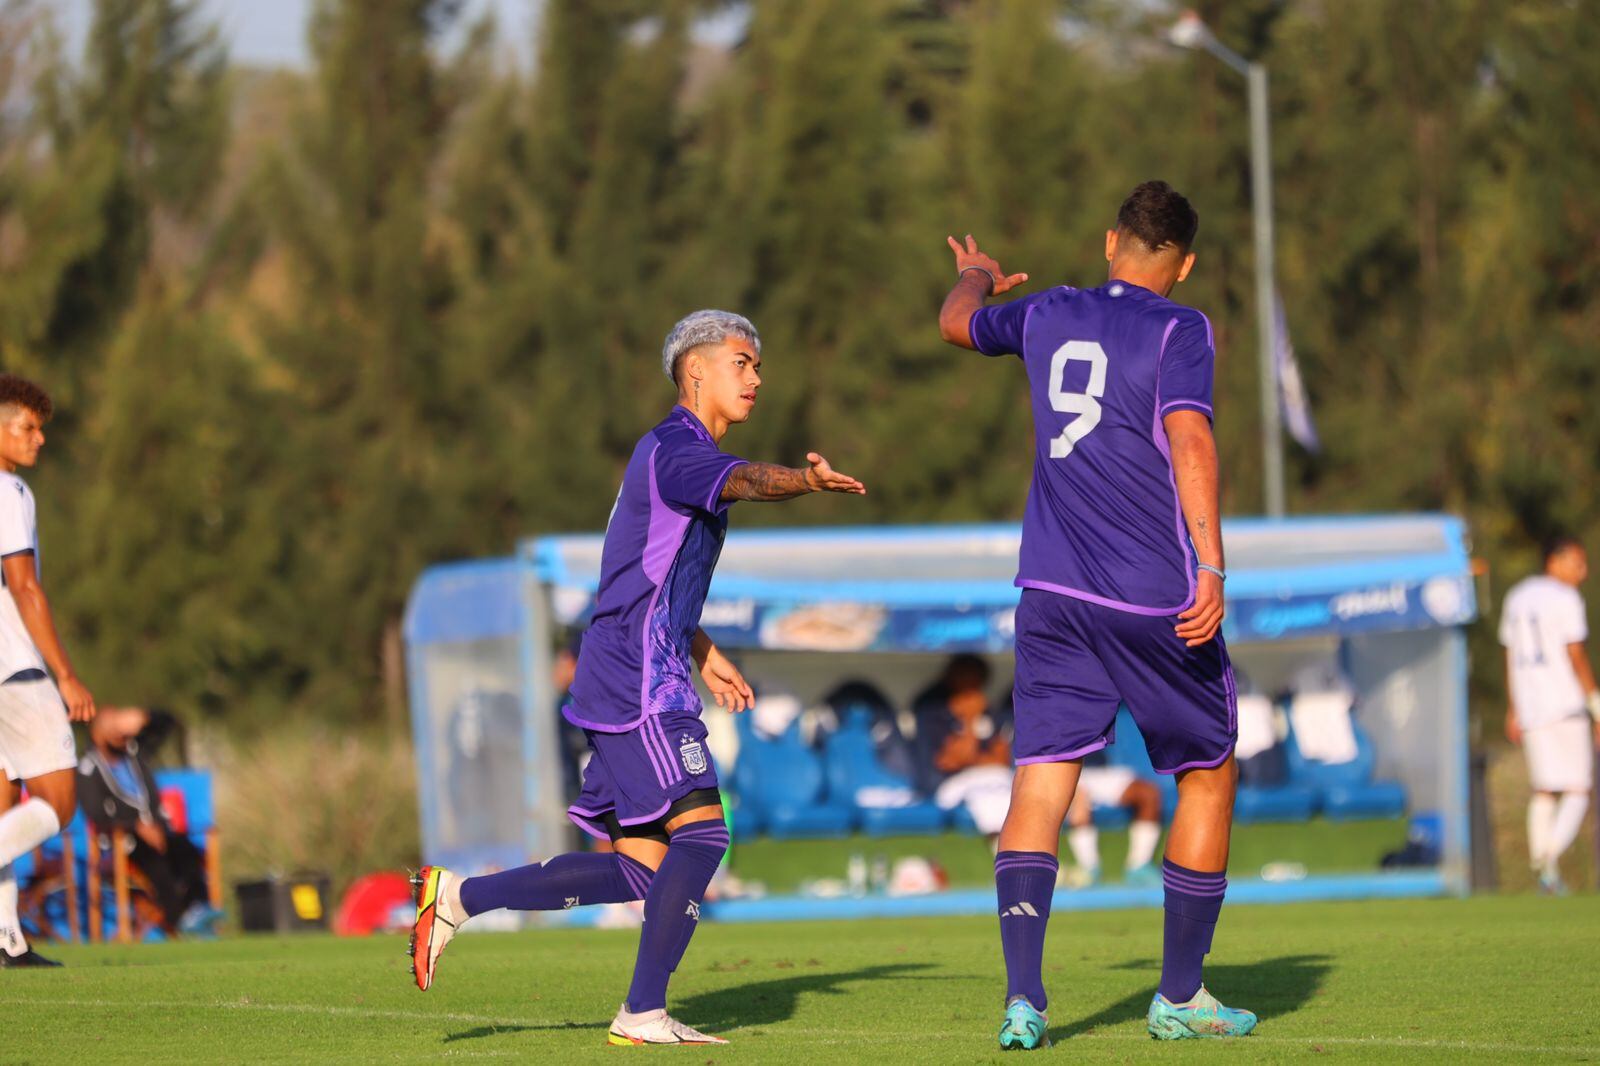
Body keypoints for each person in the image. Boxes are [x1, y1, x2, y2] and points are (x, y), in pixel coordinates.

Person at [408, 310, 865, 1046]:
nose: (757, 377)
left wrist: (702, 646)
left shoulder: (674, 455)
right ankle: (642, 1012)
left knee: (643, 870)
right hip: (636, 679)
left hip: (639, 667)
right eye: (742, 363)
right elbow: (750, 480)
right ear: (696, 372)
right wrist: (803, 483)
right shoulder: (679, 449)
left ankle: (459, 896)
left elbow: (648, 577)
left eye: (757, 366)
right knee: (705, 837)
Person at [939, 181, 1254, 1046]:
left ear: (1109, 240)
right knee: (1210, 768)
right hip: (1150, 592)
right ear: (1183, 265)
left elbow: (955, 324)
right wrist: (1212, 563)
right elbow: (1190, 438)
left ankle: (1024, 999)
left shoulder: (1043, 313)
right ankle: (1181, 996)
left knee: (1040, 780)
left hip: (1050, 591)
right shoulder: (1179, 327)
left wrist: (975, 274)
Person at [0, 375, 96, 969]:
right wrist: (65, 673)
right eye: (27, 428)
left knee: (7, 801)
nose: (39, 440)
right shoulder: (8, 492)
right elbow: (24, 585)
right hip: (14, 668)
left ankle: (6, 938)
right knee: (60, 802)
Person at [1500, 536, 1600, 894]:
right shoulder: (1566, 598)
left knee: (1544, 789)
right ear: (1554, 562)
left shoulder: (1518, 595)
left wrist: (1512, 706)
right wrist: (1596, 704)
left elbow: (1509, 655)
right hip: (1566, 703)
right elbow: (1575, 653)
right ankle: (1549, 856)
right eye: (1577, 563)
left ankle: (1544, 868)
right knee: (1578, 789)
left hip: (1530, 705)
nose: (1583, 572)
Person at [78, 706, 220, 935]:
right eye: (112, 728)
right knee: (154, 861)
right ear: (97, 733)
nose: (119, 734)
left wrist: (144, 716)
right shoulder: (89, 768)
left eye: (121, 728)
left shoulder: (134, 755)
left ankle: (199, 909)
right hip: (121, 840)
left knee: (186, 850)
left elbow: (166, 723)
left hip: (156, 829)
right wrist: (135, 826)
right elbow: (96, 814)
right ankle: (179, 919)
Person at [1062, 756, 1164, 888]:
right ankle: (1088, 868)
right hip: (1074, 769)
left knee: (1149, 793)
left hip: (1106, 770)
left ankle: (1139, 867)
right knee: (1078, 801)